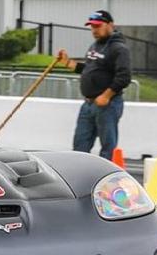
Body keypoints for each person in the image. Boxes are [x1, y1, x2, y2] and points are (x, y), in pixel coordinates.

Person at [56, 9, 132, 160]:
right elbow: (89, 69)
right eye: (92, 26)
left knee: (107, 147)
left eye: (98, 26)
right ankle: (79, 175)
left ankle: (105, 178)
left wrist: (106, 95)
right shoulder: (95, 46)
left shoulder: (119, 48)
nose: (94, 30)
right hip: (88, 104)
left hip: (107, 105)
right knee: (79, 145)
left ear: (110, 25)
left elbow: (124, 77)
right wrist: (67, 62)